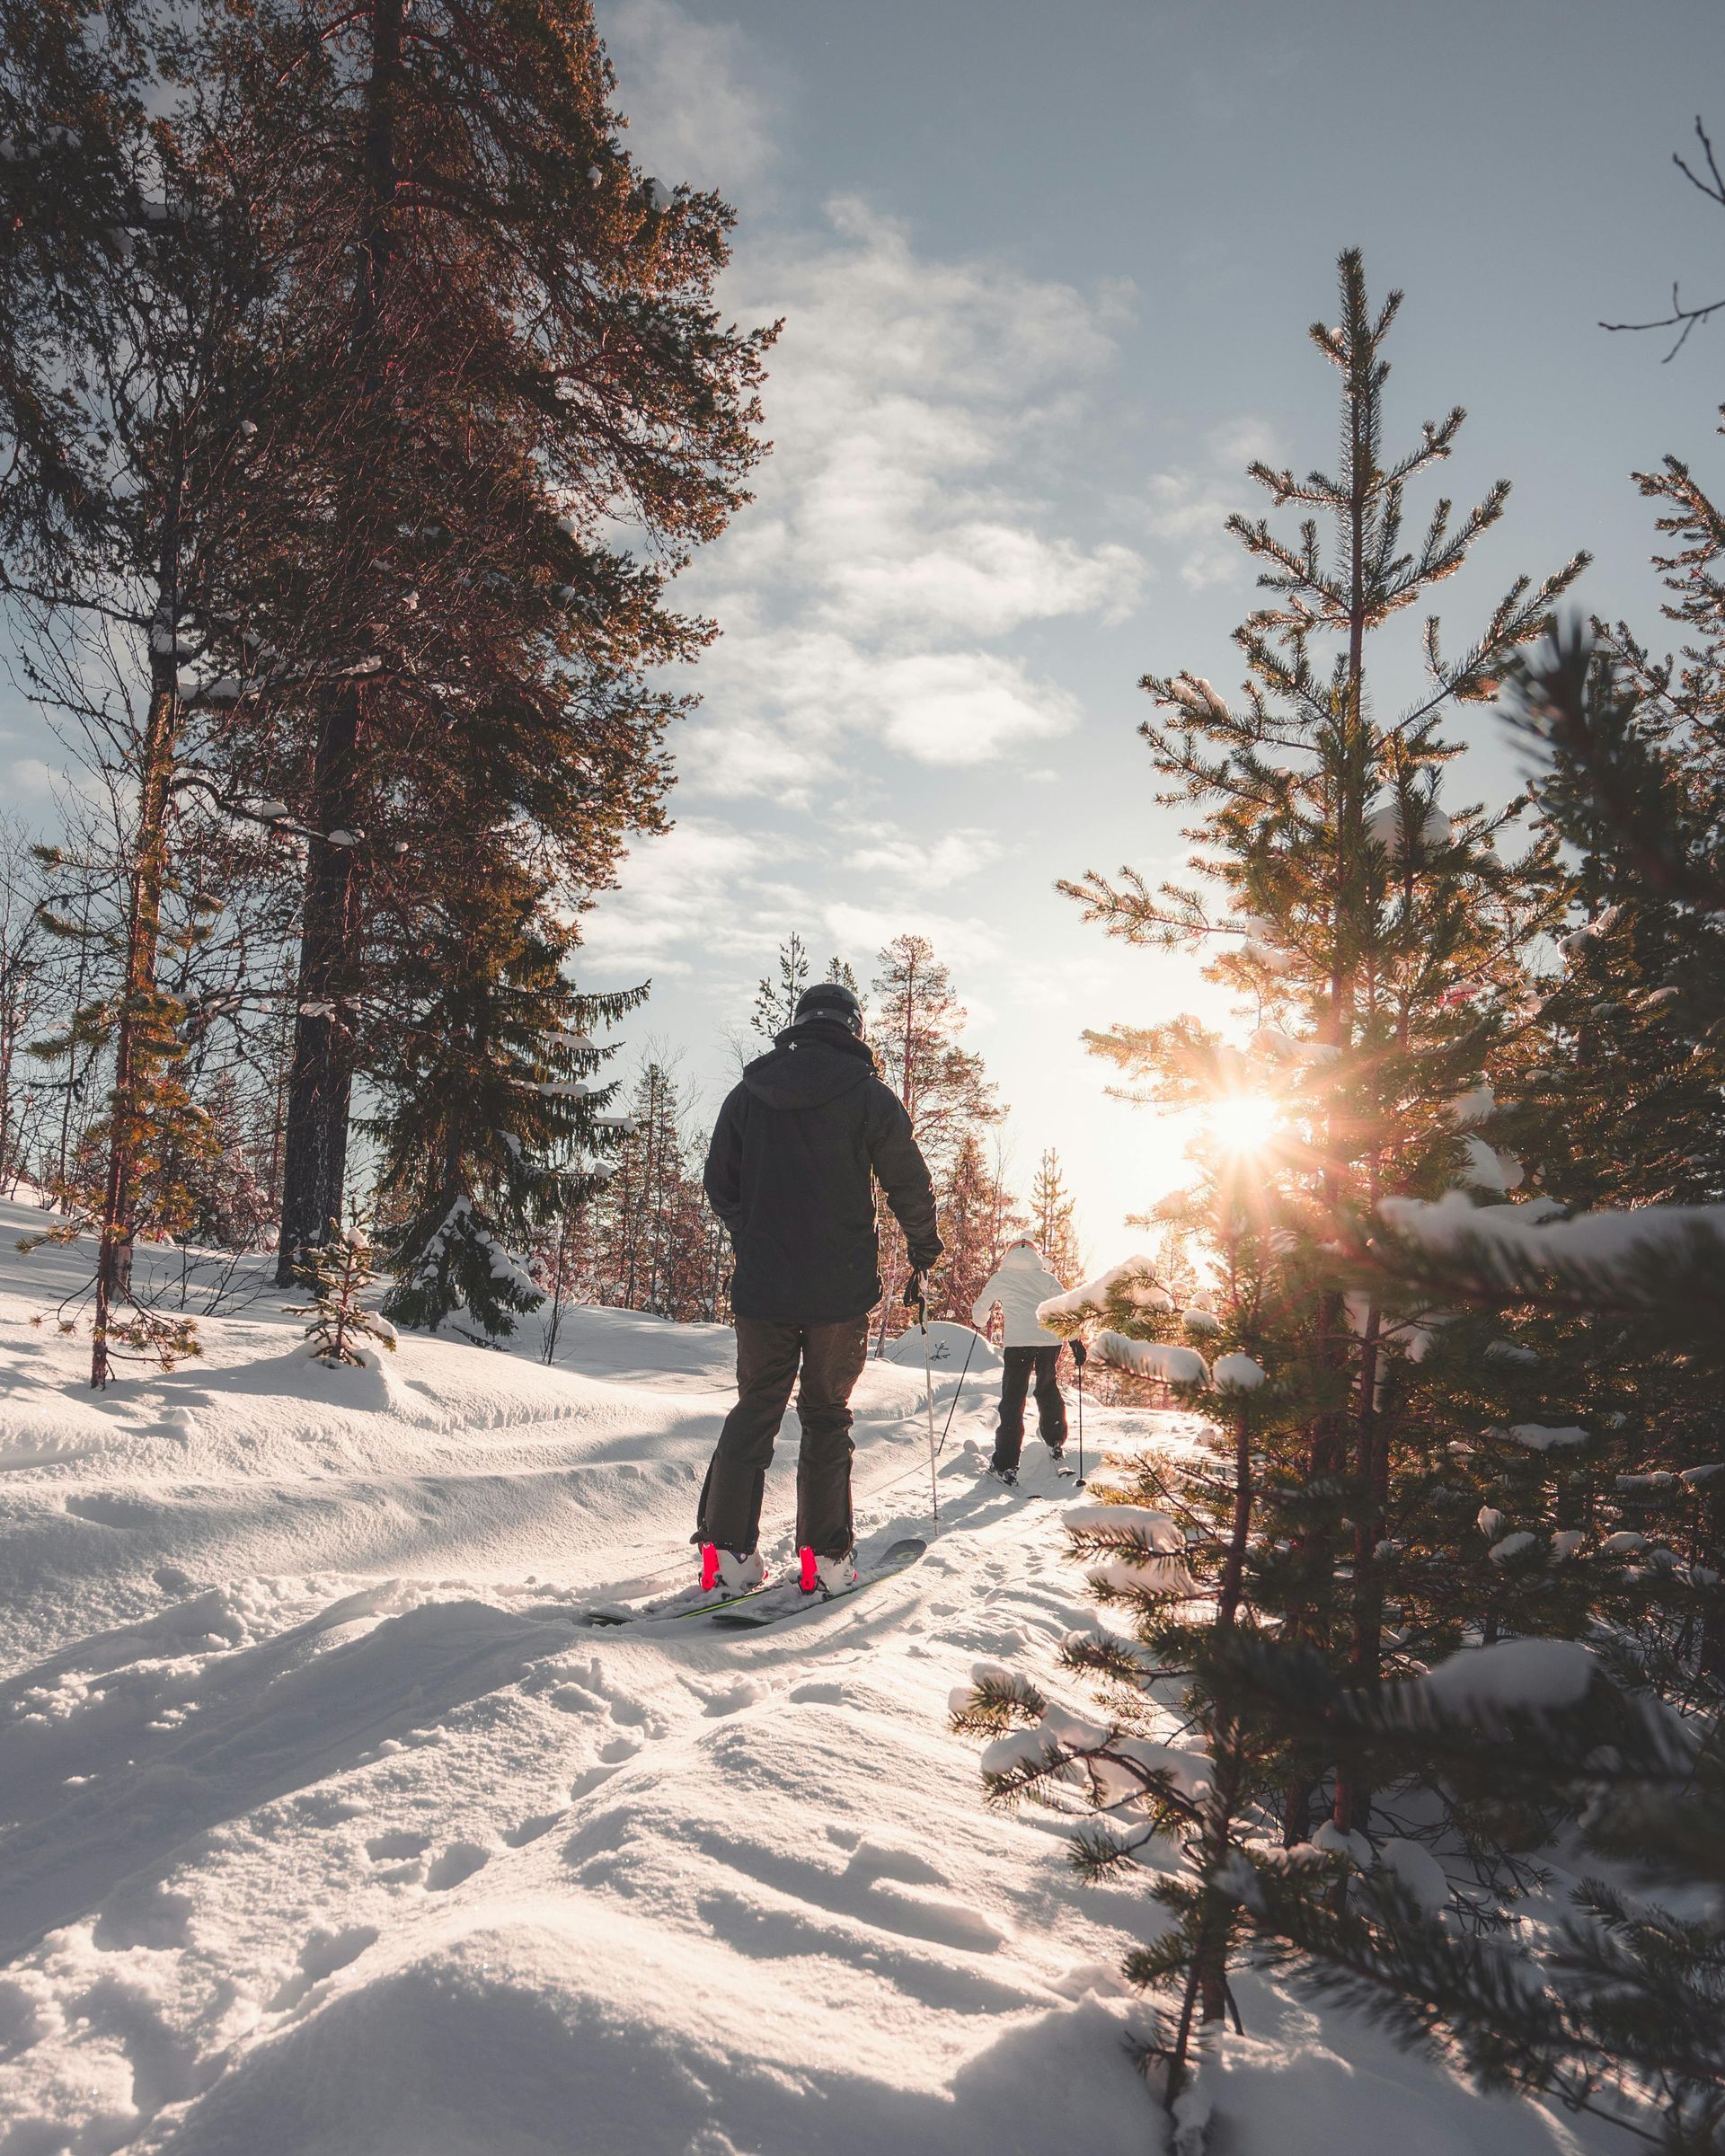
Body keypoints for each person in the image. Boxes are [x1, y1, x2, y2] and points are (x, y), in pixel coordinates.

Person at [697, 979, 942, 1598]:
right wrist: (923, 1248)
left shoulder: (749, 1093)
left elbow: (718, 1183)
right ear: (853, 1029)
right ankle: (824, 1562)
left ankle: (724, 1558)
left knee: (756, 1408)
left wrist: (751, 1232)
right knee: (826, 1416)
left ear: (800, 1023)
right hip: (838, 1293)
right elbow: (907, 1181)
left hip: (763, 1289)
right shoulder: (867, 1095)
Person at [971, 1238, 1074, 1486]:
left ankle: (1005, 1463)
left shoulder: (1001, 1278)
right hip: (1049, 1342)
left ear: (1009, 1254)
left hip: (1018, 1344)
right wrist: (1076, 1341)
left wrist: (982, 1318)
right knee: (1047, 1388)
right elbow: (1067, 1309)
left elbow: (979, 1314)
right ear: (1036, 1255)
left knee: (1014, 1398)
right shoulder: (1047, 1278)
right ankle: (1055, 1440)